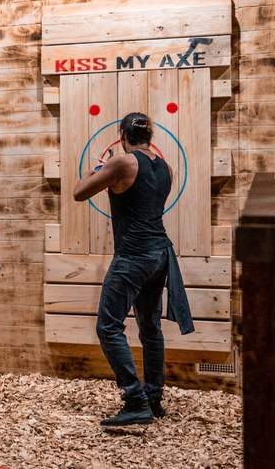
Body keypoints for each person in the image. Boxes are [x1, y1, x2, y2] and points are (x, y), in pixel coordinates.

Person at [73, 112, 194, 426]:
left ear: (121, 134)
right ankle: (153, 399)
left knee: (108, 327)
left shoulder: (123, 163)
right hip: (160, 254)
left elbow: (79, 191)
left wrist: (98, 166)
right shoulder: (165, 167)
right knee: (150, 329)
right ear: (150, 136)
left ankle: (135, 399)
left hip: (133, 257)